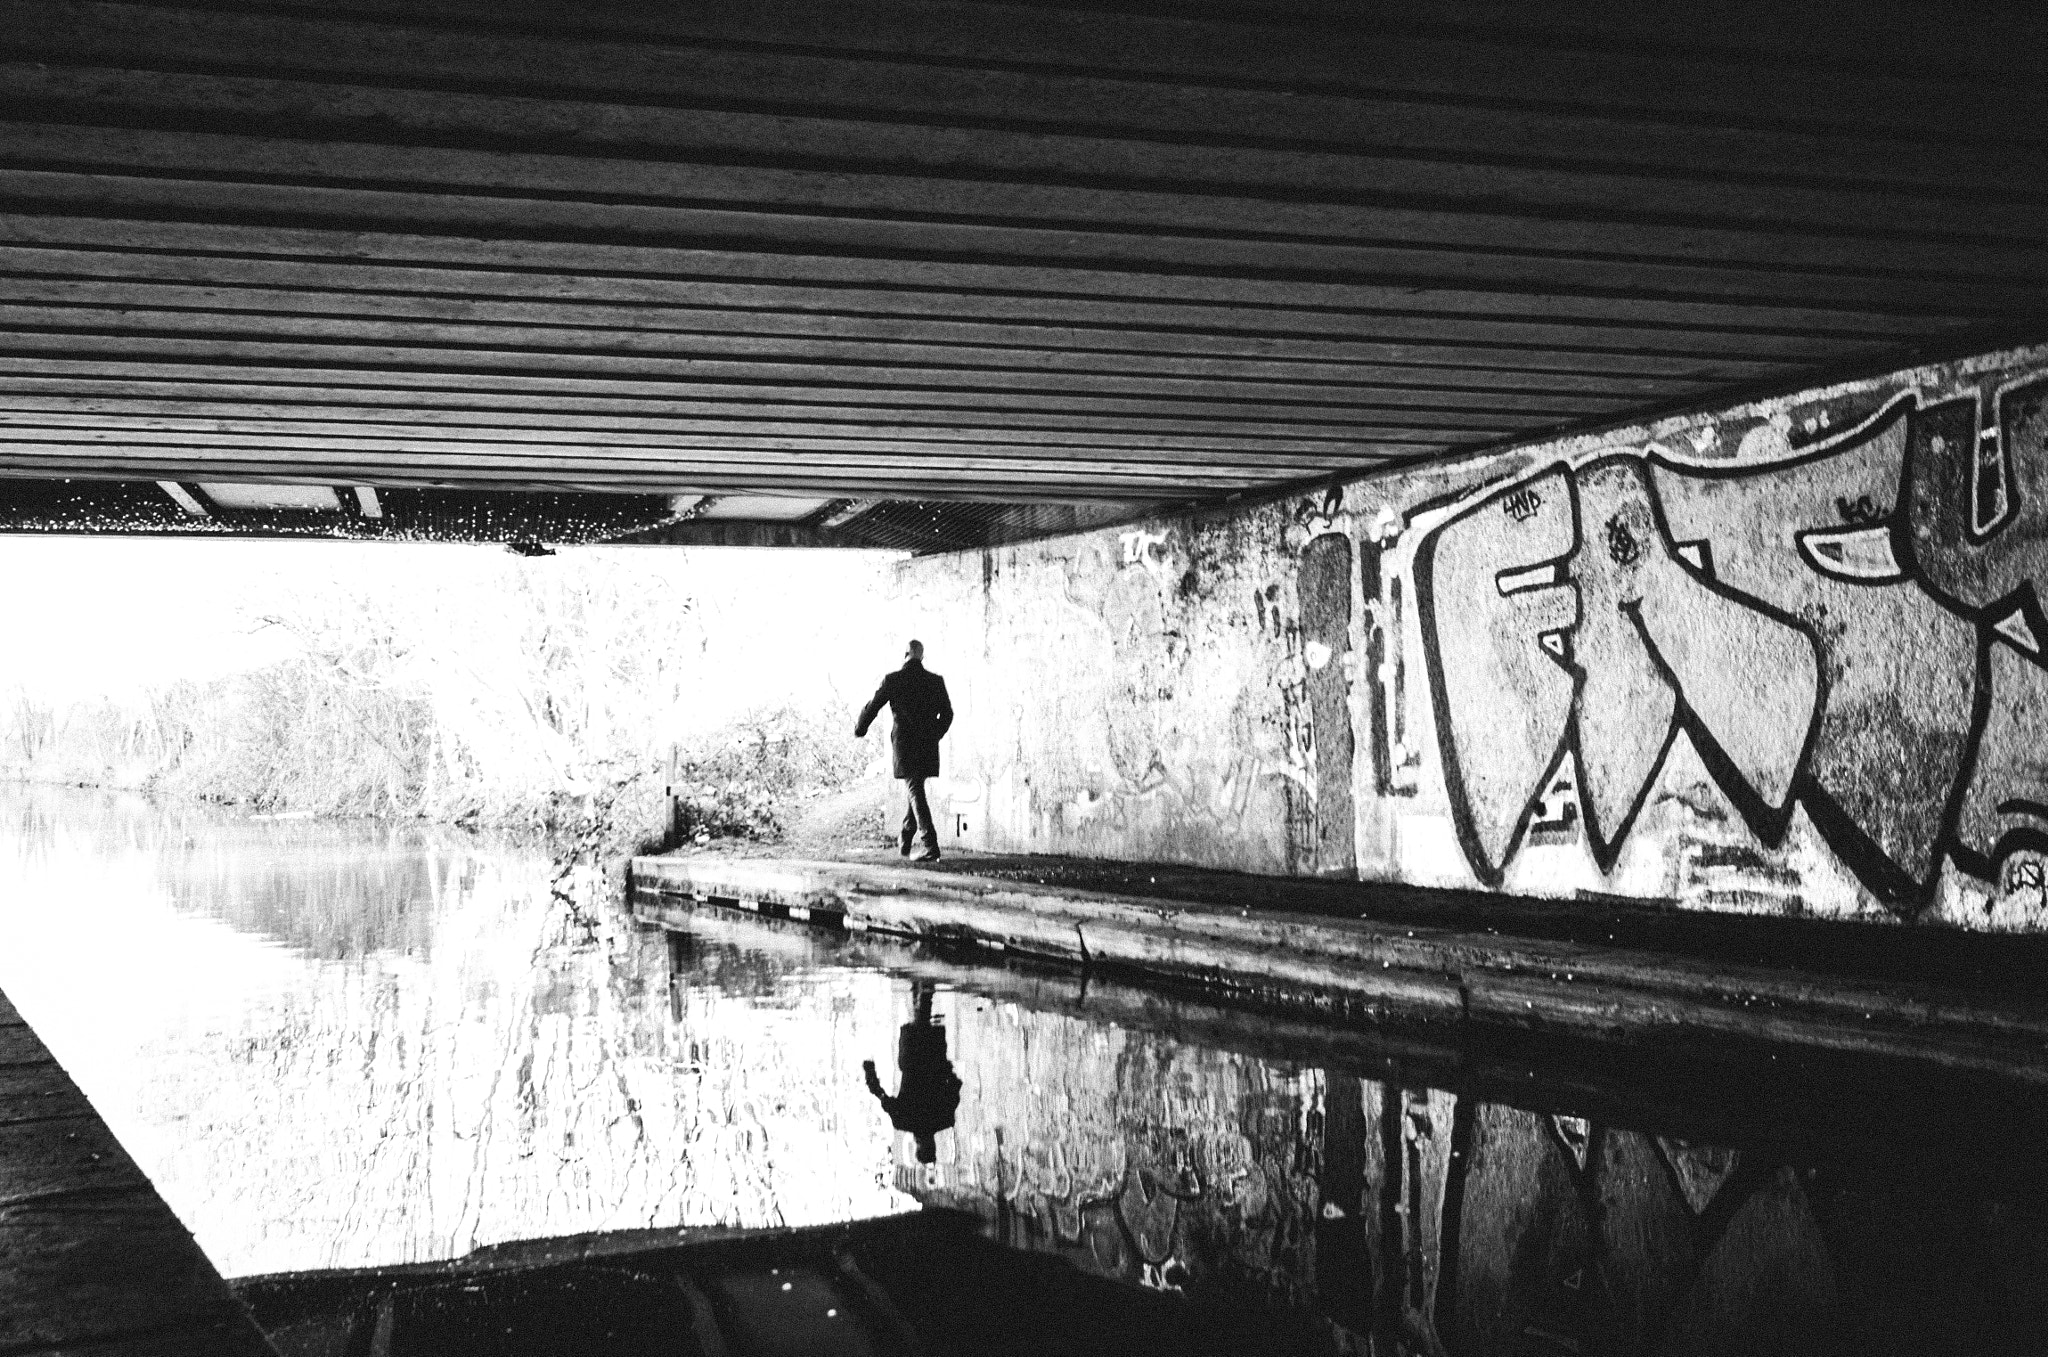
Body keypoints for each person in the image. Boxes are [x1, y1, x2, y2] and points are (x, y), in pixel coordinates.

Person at [854, 638, 954, 862]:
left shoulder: (894, 680)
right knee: (915, 787)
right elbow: (947, 714)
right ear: (922, 656)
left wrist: (860, 728)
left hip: (905, 745)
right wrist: (934, 735)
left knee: (914, 789)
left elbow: (874, 705)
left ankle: (930, 845)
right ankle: (905, 839)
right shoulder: (935, 681)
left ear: (905, 654)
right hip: (927, 745)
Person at [861, 985, 962, 1164]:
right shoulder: (903, 1121)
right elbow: (881, 1095)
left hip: (933, 1058)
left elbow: (955, 1085)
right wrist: (870, 1073)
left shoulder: (945, 1118)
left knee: (923, 1016)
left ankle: (923, 987)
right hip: (911, 1060)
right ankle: (921, 987)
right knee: (918, 1016)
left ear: (933, 1145)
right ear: (917, 1145)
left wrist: (945, 1072)